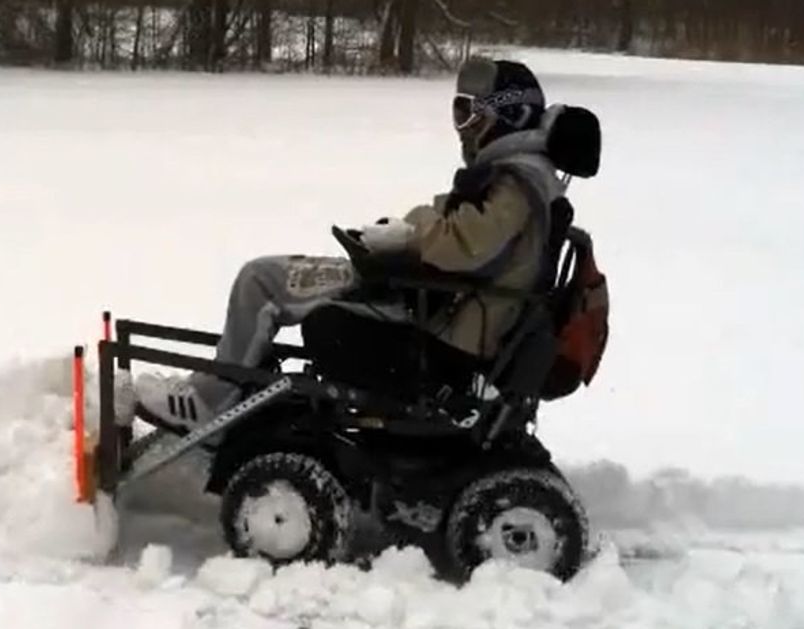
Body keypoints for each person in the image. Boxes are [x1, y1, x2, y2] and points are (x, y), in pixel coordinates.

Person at [134, 57, 566, 429]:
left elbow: (461, 246)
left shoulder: (518, 184)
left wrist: (409, 231)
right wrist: (397, 242)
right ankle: (232, 390)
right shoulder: (520, 175)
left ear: (508, 117)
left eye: (470, 114)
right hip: (429, 298)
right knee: (265, 276)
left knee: (261, 281)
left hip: (433, 316)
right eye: (458, 112)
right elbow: (466, 243)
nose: (462, 128)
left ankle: (208, 404)